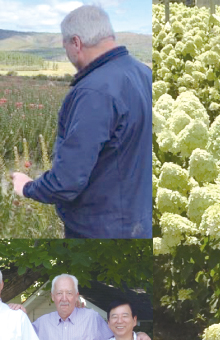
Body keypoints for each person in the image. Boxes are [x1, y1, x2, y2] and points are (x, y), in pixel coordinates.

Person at [12, 6, 152, 239]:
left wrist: (28, 187)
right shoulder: (144, 74)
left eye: (65, 47)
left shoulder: (94, 91)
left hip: (100, 230)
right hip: (139, 222)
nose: (67, 53)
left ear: (76, 43)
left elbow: (67, 181)